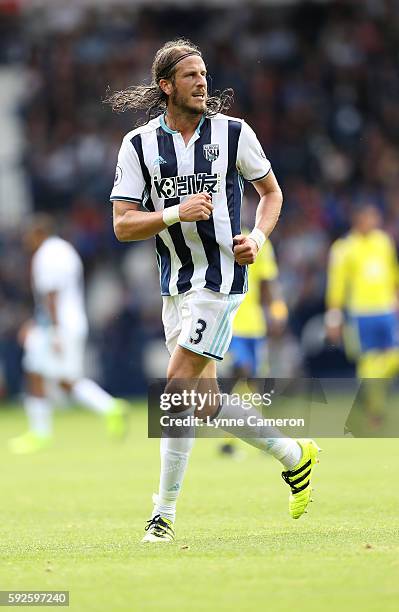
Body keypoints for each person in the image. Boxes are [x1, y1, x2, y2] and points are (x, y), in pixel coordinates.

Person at [109, 39, 320, 543]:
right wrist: (175, 212)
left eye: (204, 74)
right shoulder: (137, 145)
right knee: (204, 403)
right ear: (166, 86)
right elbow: (122, 224)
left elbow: (271, 193)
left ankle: (162, 515)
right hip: (174, 286)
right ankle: (296, 456)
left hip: (219, 281)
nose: (202, 82)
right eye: (190, 76)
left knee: (175, 387)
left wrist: (260, 238)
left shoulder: (233, 133)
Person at [8, 214, 128, 454]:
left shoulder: (46, 255)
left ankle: (40, 433)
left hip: (57, 325)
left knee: (35, 372)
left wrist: (52, 332)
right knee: (64, 380)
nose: (25, 240)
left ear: (38, 233)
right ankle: (109, 407)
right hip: (70, 322)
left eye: (28, 235)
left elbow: (51, 295)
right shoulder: (65, 250)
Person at [325, 204, 399, 430]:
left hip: (386, 310)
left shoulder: (383, 241)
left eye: (375, 216)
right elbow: (336, 284)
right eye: (367, 216)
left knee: (390, 358)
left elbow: (392, 272)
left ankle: (368, 395)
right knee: (367, 360)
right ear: (357, 218)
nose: (372, 220)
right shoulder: (344, 248)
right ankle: (375, 409)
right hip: (360, 313)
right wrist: (334, 316)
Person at [221, 235, 288, 455]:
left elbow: (267, 283)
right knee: (242, 371)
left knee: (254, 383)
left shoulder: (259, 242)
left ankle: (256, 437)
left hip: (255, 325)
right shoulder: (219, 236)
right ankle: (234, 440)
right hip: (230, 323)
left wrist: (277, 310)